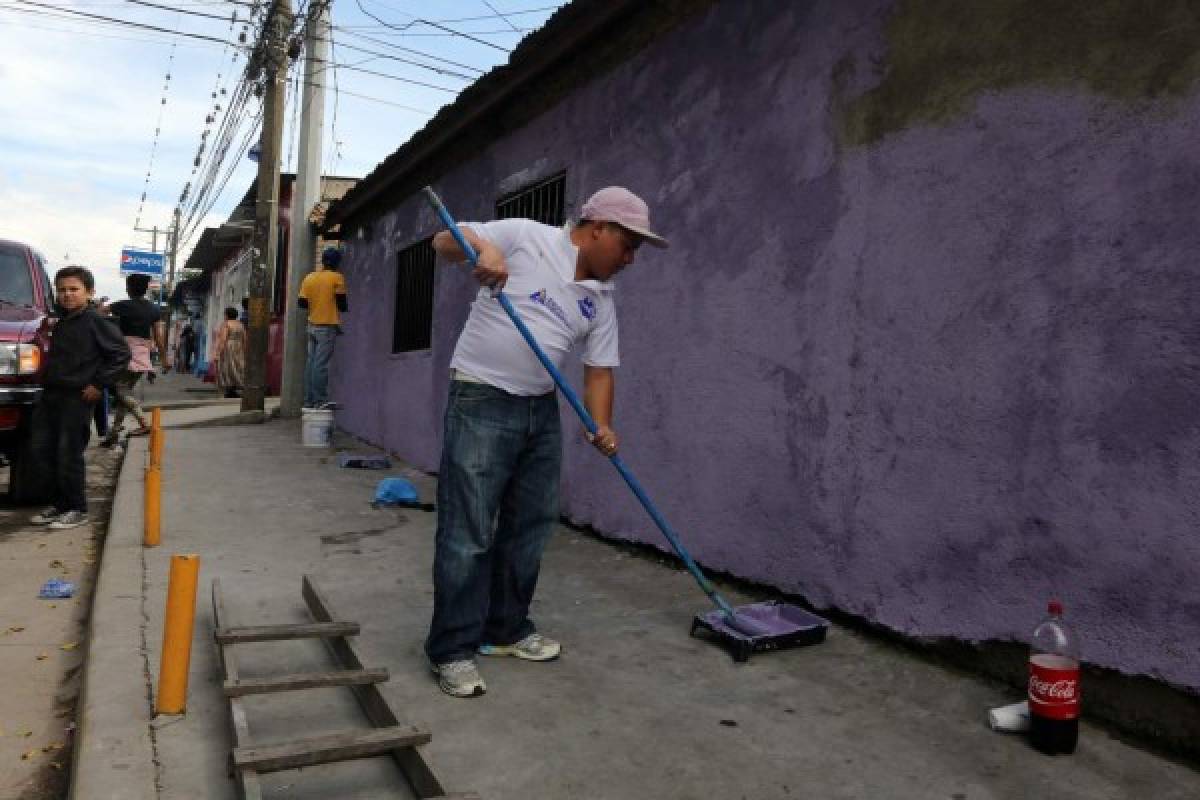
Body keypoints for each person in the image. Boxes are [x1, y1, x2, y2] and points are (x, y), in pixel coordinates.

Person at [424, 187, 668, 698]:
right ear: (597, 227)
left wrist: (601, 424)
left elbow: (599, 371)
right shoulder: (525, 237)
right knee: (469, 530)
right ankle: (452, 649)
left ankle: (505, 630)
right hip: (481, 399)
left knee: (530, 527)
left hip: (540, 409)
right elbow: (444, 239)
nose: (630, 258)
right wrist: (484, 251)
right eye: (627, 245)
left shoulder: (600, 299)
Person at [30, 266, 129, 530]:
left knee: (68, 453)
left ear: (89, 291)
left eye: (74, 289)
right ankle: (60, 504)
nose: (67, 294)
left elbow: (120, 355)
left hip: (77, 397)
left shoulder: (97, 321)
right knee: (44, 451)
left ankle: (76, 508)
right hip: (53, 395)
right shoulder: (61, 321)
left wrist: (99, 384)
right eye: (62, 290)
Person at [103, 273, 168, 445]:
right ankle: (114, 434)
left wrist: (99, 305)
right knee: (124, 394)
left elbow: (100, 313)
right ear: (146, 289)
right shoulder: (154, 309)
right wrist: (164, 359)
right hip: (143, 354)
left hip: (124, 353)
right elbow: (159, 338)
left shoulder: (122, 305)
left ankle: (144, 422)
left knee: (120, 391)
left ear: (129, 288)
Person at [298, 246, 348, 409]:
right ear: (337, 262)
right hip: (326, 327)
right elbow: (342, 305)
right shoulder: (337, 278)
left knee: (311, 363)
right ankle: (320, 399)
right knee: (321, 364)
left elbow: (302, 303)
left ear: (323, 261)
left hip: (311, 325)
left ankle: (309, 400)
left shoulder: (309, 278)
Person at [212, 307, 246, 398]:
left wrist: (218, 352)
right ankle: (235, 387)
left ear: (227, 315)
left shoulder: (226, 324)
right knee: (237, 366)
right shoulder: (240, 325)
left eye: (224, 314)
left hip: (229, 346)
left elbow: (223, 339)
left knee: (227, 367)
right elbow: (244, 338)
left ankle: (229, 388)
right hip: (238, 347)